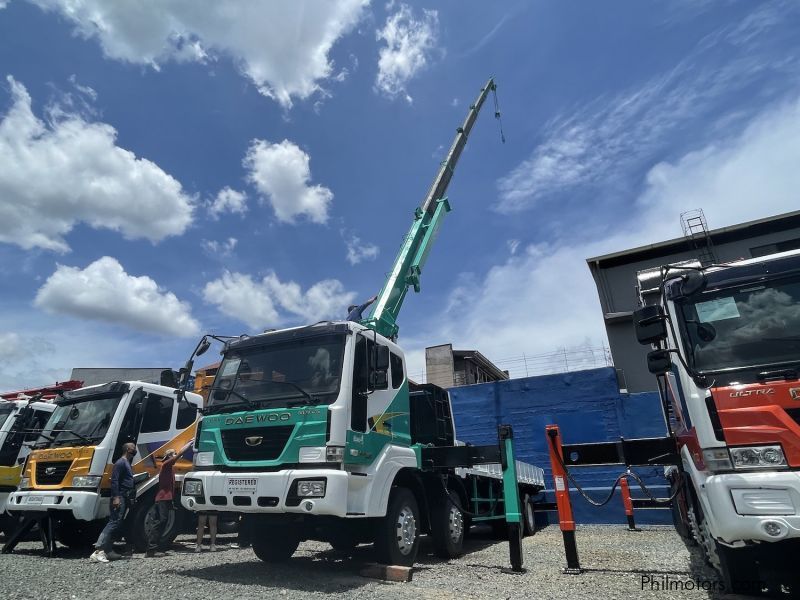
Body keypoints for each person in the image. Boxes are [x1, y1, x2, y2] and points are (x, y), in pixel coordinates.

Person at [90, 442, 137, 563]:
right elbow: (115, 480)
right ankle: (98, 550)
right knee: (114, 522)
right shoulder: (120, 463)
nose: (135, 449)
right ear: (127, 449)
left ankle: (108, 550)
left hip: (125, 496)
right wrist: (116, 497)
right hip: (119, 496)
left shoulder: (127, 463)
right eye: (133, 448)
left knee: (118, 523)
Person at [146, 441, 193, 557]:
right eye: (173, 454)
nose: (175, 456)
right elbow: (180, 454)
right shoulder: (167, 464)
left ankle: (153, 548)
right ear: (169, 456)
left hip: (165, 498)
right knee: (161, 521)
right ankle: (152, 548)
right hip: (163, 498)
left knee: (161, 521)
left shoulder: (168, 467)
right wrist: (190, 443)